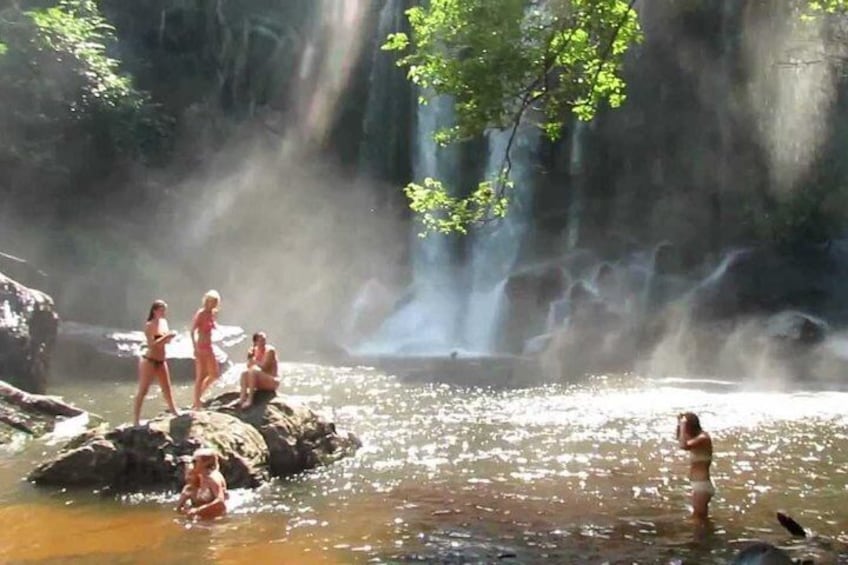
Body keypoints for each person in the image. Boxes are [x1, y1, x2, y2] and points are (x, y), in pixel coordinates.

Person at [133, 300, 179, 426]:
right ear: (154, 311)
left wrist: (169, 337)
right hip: (150, 361)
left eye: (165, 310)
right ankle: (136, 420)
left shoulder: (164, 322)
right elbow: (151, 345)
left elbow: (165, 342)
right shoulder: (149, 325)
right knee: (143, 390)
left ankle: (174, 411)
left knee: (167, 388)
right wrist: (166, 337)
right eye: (161, 310)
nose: (164, 313)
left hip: (161, 359)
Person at [677, 412, 714, 522]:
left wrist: (683, 425)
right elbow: (680, 440)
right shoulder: (698, 438)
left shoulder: (703, 437)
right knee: (699, 517)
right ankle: (704, 537)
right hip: (699, 484)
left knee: (699, 519)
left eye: (686, 427)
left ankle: (704, 538)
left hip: (702, 485)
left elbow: (684, 445)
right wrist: (679, 424)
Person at [175, 447, 228, 519]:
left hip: (216, 518)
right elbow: (190, 489)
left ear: (205, 463)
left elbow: (220, 502)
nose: (192, 464)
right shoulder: (200, 475)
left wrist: (197, 511)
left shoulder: (213, 478)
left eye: (194, 461)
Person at [191, 290, 221, 409]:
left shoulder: (212, 313)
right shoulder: (201, 313)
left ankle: (197, 398)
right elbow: (192, 331)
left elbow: (213, 327)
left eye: (215, 302)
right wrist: (194, 347)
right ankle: (197, 403)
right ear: (206, 301)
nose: (213, 304)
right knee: (201, 376)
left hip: (209, 347)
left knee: (214, 374)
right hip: (201, 347)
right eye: (211, 301)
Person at [238, 331, 279, 409]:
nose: (263, 342)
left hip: (272, 380)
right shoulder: (254, 350)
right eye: (261, 341)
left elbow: (264, 367)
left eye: (264, 340)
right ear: (256, 342)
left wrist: (254, 361)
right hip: (261, 380)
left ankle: (250, 400)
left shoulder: (270, 351)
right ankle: (242, 398)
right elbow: (248, 367)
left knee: (253, 371)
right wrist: (250, 358)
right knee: (244, 373)